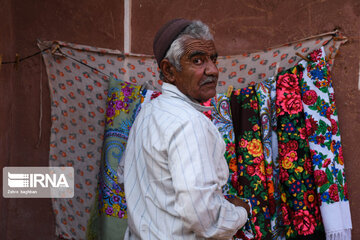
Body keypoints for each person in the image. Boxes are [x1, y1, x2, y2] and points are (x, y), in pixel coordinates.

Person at [123, 18, 250, 240]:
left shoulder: (147, 113)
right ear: (169, 70)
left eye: (213, 59)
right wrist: (240, 212)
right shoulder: (189, 123)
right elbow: (205, 220)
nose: (212, 70)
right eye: (198, 60)